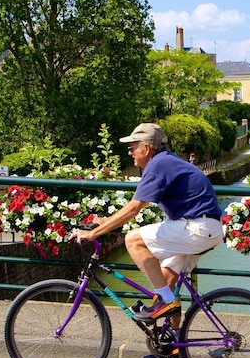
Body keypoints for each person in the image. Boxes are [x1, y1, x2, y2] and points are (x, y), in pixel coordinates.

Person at [72, 123, 223, 323]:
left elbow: (134, 208)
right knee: (167, 282)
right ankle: (173, 342)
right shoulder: (165, 161)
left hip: (196, 228)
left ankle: (166, 303)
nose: (129, 152)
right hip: (205, 228)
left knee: (133, 240)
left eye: (132, 147)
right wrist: (106, 222)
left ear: (146, 147)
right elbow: (134, 207)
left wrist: (93, 234)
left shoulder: (158, 165)